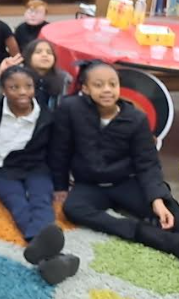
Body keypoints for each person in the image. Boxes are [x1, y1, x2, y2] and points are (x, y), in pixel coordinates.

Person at [52, 60, 179, 258]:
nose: (107, 90)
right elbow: (60, 150)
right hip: (89, 183)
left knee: (168, 208)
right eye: (98, 84)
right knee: (73, 209)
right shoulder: (70, 109)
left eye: (113, 84)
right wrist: (60, 186)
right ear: (85, 88)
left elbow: (147, 163)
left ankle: (156, 216)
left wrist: (157, 200)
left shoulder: (136, 119)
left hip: (125, 181)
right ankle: (143, 232)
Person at [0, 66, 79, 285]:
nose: (22, 92)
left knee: (41, 198)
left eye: (28, 87)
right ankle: (52, 257)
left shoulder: (46, 116)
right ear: (3, 90)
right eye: (14, 87)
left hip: (36, 166)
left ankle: (39, 247)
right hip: (4, 169)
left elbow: (55, 152)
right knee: (17, 203)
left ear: (35, 88)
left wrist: (60, 184)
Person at [23, 39, 70, 110]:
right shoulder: (18, 75)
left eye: (49, 52)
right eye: (38, 52)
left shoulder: (63, 78)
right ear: (29, 56)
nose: (45, 55)